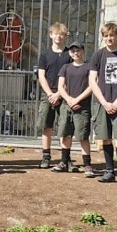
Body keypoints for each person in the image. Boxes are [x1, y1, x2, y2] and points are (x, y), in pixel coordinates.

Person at [88, 22, 117, 185]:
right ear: (103, 37)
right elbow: (92, 81)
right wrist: (104, 102)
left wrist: (116, 102)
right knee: (105, 137)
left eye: (112, 35)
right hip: (102, 103)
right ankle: (110, 171)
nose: (109, 38)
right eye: (106, 36)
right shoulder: (98, 55)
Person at [35, 22, 72, 169]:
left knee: (65, 127)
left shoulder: (69, 54)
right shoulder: (44, 55)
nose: (59, 36)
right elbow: (41, 76)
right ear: (51, 35)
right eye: (56, 33)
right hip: (48, 95)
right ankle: (46, 156)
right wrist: (50, 93)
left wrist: (59, 94)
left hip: (64, 95)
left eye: (62, 34)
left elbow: (71, 77)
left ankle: (65, 158)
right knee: (46, 126)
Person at [54, 42, 94, 175]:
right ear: (69, 53)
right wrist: (69, 100)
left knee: (83, 136)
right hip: (67, 106)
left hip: (82, 107)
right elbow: (61, 86)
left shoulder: (89, 67)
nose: (75, 53)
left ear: (83, 51)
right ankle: (64, 162)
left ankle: (87, 165)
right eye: (73, 51)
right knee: (65, 134)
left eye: (78, 50)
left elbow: (91, 86)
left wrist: (77, 100)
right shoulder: (65, 68)